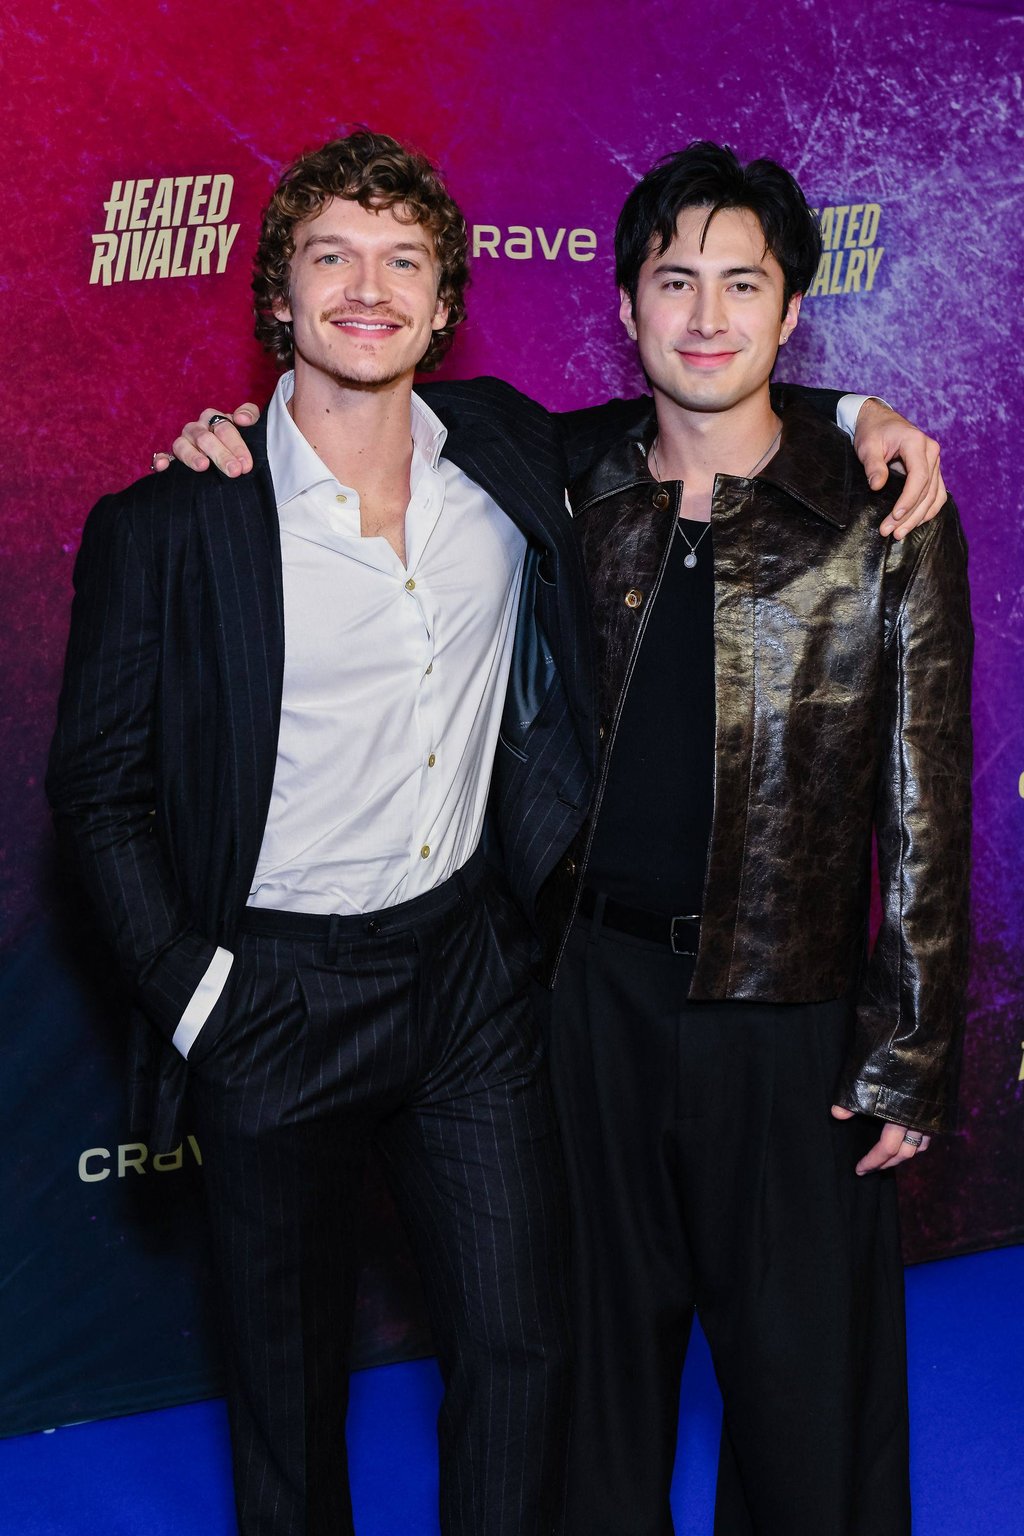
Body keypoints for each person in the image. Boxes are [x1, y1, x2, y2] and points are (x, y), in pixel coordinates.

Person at [89, 131, 947, 1535]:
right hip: (422, 993)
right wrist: (196, 996)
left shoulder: (571, 463)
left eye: (405, 262)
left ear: (444, 303)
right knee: (399, 1389)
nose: (708, 314)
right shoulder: (256, 503)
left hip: (614, 996)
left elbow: (916, 775)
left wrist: (859, 411)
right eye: (333, 258)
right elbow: (103, 786)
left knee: (626, 1373)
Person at [534, 143, 970, 1535]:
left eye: (744, 283)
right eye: (676, 280)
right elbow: (362, 414)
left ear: (793, 314)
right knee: (587, 1400)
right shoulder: (560, 476)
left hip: (788, 1022)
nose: (708, 315)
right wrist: (223, 427)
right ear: (624, 304)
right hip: (585, 1006)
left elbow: (925, 786)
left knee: (805, 1413)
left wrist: (908, 1046)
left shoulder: (879, 509)